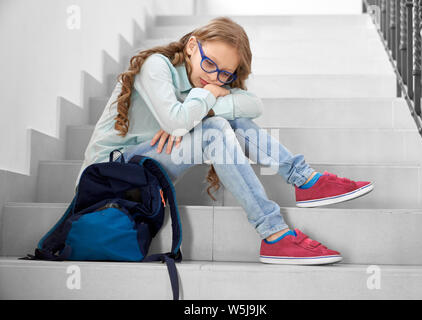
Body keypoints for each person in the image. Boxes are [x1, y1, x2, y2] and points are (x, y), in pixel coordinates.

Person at [74, 17, 374, 265]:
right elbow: (177, 121)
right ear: (192, 46)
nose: (215, 77)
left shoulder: (209, 81)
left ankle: (305, 180)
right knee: (216, 128)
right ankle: (274, 233)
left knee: (228, 120)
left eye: (225, 75)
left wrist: (195, 108)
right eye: (209, 64)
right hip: (109, 175)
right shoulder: (157, 66)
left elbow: (253, 106)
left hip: (146, 169)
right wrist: (197, 103)